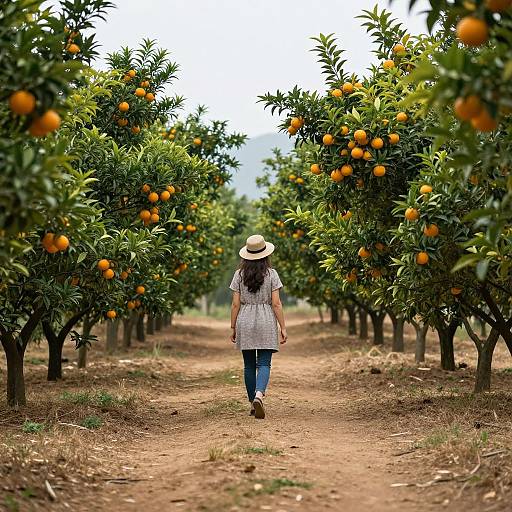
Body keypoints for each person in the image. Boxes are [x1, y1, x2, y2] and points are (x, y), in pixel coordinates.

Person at [229, 234, 287, 419]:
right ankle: (259, 395)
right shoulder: (272, 274)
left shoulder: (239, 274)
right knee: (264, 363)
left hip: (245, 319)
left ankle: (252, 403)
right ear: (266, 254)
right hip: (265, 321)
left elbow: (235, 304)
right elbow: (276, 304)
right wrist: (283, 327)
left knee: (248, 365)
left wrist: (233, 326)